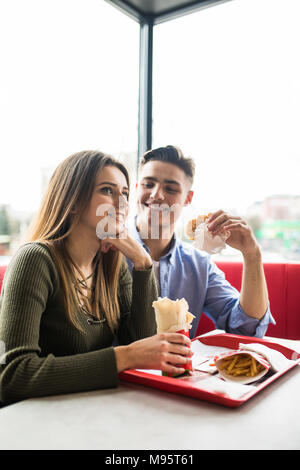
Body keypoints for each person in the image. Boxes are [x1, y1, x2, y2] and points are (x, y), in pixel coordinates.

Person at [0, 150, 192, 405]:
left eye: (124, 193)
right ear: (74, 200)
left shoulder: (112, 266)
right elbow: (13, 375)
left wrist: (143, 264)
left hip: (87, 412)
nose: (122, 203)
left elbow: (143, 343)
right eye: (107, 190)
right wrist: (124, 356)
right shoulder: (35, 260)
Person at [127, 145, 275, 338]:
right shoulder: (108, 249)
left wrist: (252, 254)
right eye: (148, 184)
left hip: (179, 368)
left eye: (170, 188)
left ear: (188, 198)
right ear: (137, 189)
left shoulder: (198, 264)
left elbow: (246, 328)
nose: (157, 194)